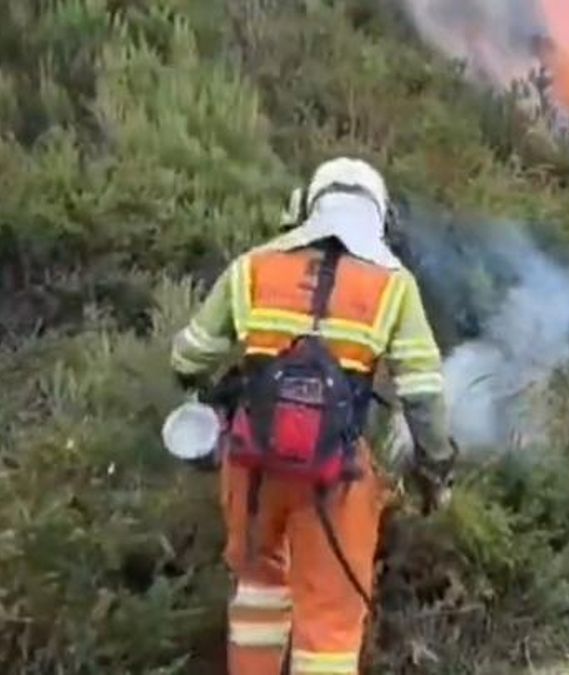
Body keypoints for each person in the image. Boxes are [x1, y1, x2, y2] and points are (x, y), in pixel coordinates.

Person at [169, 157, 457, 675]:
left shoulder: (253, 267)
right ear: (379, 216)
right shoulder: (394, 285)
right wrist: (435, 468)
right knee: (329, 622)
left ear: (306, 206)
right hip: (335, 477)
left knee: (257, 591)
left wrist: (211, 387)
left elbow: (188, 358)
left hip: (252, 466)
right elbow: (423, 396)